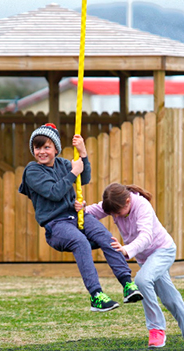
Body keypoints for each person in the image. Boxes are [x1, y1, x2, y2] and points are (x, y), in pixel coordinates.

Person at [18, 123, 143, 312]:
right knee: (80, 242)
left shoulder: (63, 164)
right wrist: (73, 173)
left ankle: (127, 284)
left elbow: (83, 179)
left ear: (56, 149)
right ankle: (96, 296)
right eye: (37, 147)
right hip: (56, 225)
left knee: (105, 237)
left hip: (76, 217)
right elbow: (53, 192)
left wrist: (83, 154)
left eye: (47, 147)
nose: (42, 152)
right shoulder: (32, 171)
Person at [76, 183, 184, 351]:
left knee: (142, 281)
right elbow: (92, 212)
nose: (114, 216)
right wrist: (81, 208)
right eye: (111, 213)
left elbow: (146, 237)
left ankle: (156, 328)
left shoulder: (142, 206)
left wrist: (126, 249)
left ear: (128, 202)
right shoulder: (116, 204)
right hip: (146, 259)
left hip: (163, 251)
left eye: (117, 212)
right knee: (170, 299)